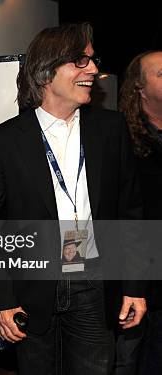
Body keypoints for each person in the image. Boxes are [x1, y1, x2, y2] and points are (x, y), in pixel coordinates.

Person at [0, 23, 146, 374]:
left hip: (96, 281)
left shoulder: (111, 129)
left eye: (92, 60)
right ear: (46, 71)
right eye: (80, 61)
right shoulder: (1, 142)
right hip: (32, 284)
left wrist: (135, 285)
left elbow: (132, 212)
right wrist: (2, 300)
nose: (94, 70)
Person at [118, 50, 162, 375]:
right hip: (138, 268)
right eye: (161, 74)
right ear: (139, 87)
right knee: (131, 357)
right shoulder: (119, 137)